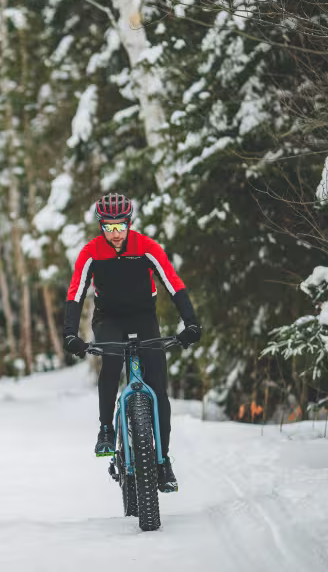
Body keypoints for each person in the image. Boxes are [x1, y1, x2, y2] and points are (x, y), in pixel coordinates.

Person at [62, 193, 201, 493]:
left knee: (158, 386)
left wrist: (190, 322)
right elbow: (75, 292)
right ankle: (106, 430)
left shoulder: (147, 247)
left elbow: (173, 282)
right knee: (111, 358)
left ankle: (163, 461)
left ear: (129, 224)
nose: (115, 234)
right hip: (108, 318)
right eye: (108, 228)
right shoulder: (91, 252)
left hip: (143, 317)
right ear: (101, 226)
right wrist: (70, 333)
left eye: (120, 227)